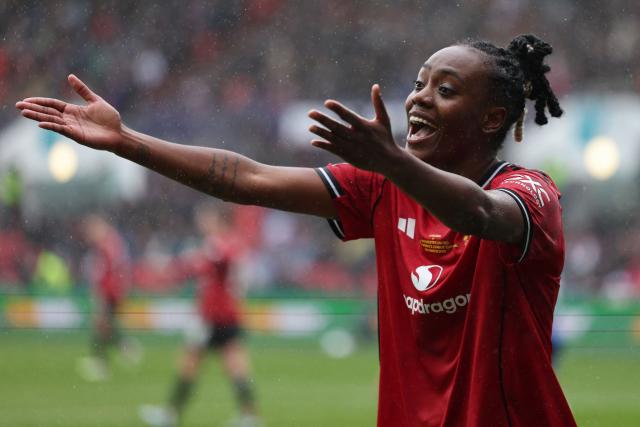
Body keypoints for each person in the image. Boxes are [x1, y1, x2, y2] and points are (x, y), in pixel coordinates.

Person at [17, 33, 576, 426]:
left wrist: (395, 164)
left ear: (492, 119)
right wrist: (129, 142)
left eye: (446, 90)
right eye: (419, 83)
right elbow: (250, 178)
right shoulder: (382, 186)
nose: (418, 99)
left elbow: (478, 213)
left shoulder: (531, 194)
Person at [139, 203, 262, 427]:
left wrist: (173, 268)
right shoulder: (220, 244)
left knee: (197, 363)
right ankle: (249, 415)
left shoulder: (222, 244)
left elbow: (210, 264)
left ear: (218, 220)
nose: (202, 222)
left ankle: (171, 414)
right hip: (222, 314)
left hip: (216, 316)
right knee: (231, 365)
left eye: (207, 217)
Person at [77, 213, 142, 381]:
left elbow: (112, 270)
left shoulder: (108, 244)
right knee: (103, 325)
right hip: (112, 291)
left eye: (93, 229)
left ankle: (103, 362)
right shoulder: (112, 242)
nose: (90, 233)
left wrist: (103, 291)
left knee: (101, 324)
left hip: (110, 291)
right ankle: (122, 349)